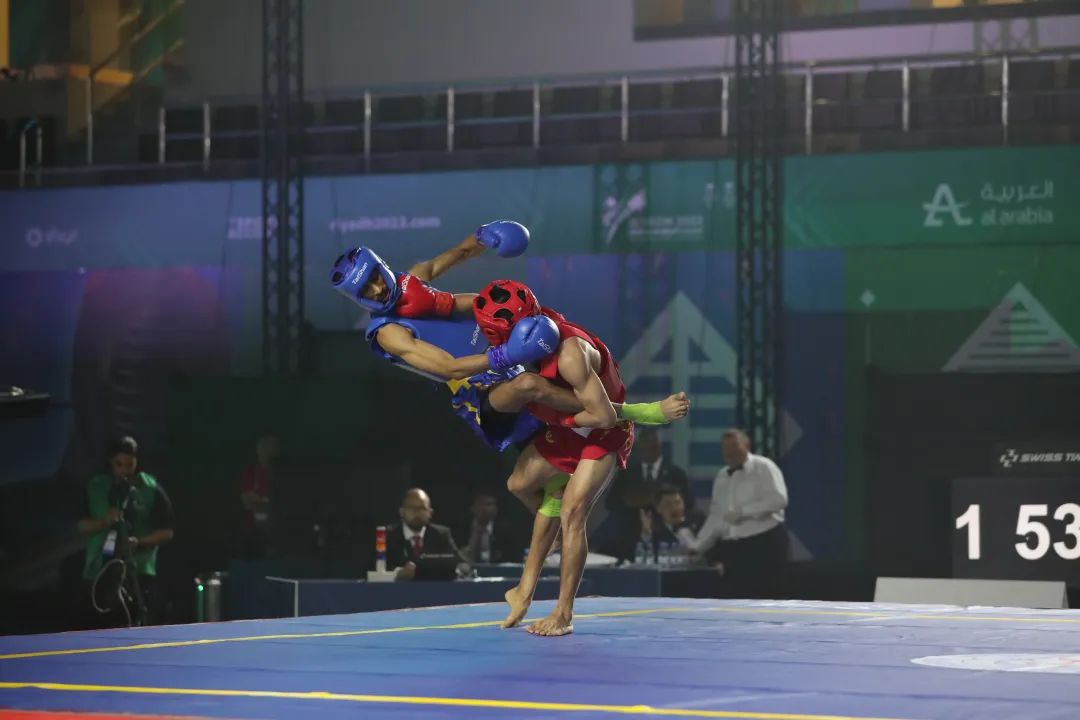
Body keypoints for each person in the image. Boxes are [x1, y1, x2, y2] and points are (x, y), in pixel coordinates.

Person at [330, 223, 689, 455]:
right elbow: (450, 368)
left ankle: (601, 392)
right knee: (531, 387)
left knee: (549, 327)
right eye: (366, 289)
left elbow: (459, 253)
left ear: (381, 266)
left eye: (375, 277)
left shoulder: (414, 279)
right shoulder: (388, 333)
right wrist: (504, 355)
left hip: (499, 346)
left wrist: (485, 235)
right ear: (358, 298)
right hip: (478, 389)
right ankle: (626, 413)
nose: (377, 289)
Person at [473, 279, 690, 636]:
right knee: (519, 484)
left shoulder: (570, 354)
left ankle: (563, 613)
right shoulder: (524, 336)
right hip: (567, 427)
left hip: (604, 430)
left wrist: (650, 413)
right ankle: (523, 591)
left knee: (573, 511)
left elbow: (603, 416)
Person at [77, 436, 174, 627]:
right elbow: (80, 525)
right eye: (119, 464)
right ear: (110, 462)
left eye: (130, 464)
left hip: (139, 572)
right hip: (99, 571)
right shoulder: (95, 486)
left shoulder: (150, 487)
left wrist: (139, 542)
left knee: (139, 623)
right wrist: (104, 521)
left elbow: (167, 531)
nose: (124, 470)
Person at [687, 428, 789, 597]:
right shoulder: (721, 476)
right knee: (734, 600)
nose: (730, 452)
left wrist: (743, 512)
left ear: (747, 446)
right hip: (734, 551)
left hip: (764, 545)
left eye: (734, 446)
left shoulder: (764, 467)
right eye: (725, 448)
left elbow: (779, 500)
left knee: (766, 599)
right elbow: (716, 516)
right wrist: (699, 545)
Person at [384, 488, 469, 581]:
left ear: (430, 513)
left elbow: (461, 563)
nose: (417, 513)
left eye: (422, 508)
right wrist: (397, 574)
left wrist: (461, 569)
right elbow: (373, 569)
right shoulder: (387, 535)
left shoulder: (441, 534)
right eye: (411, 508)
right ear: (401, 512)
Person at [238, 431, 279, 557]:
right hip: (253, 534)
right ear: (259, 449)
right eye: (267, 445)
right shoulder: (250, 474)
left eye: (274, 446)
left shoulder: (282, 475)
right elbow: (248, 503)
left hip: (277, 534)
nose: (270, 450)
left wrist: (262, 502)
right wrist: (270, 503)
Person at [457, 489, 523, 564]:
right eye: (482, 504)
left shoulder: (505, 531)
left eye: (490, 504)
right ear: (472, 508)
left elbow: (513, 556)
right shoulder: (462, 527)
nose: (485, 508)